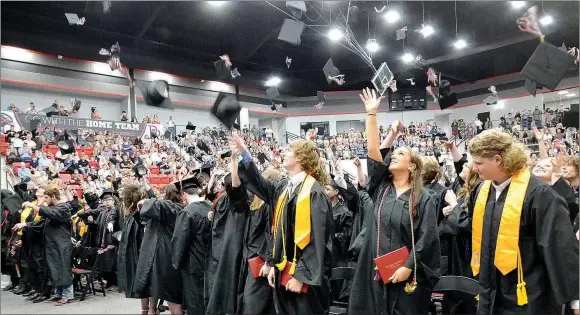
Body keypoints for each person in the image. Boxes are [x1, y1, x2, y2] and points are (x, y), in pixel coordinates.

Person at [348, 89, 441, 315]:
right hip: (375, 273)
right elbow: (373, 153)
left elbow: (426, 238)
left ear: (412, 167)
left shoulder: (423, 198)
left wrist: (408, 267)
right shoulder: (381, 188)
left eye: (400, 154)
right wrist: (371, 114)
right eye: (394, 154)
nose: (394, 156)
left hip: (407, 276)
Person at [467, 129, 579, 314]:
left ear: (497, 159)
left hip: (528, 295)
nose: (474, 168)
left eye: (479, 163)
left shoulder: (539, 194)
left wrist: (575, 300)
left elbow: (560, 247)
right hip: (490, 294)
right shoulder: (481, 191)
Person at [230, 130, 334, 315]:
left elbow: (317, 240)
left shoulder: (313, 193)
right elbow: (260, 184)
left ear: (300, 158)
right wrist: (245, 153)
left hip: (304, 280)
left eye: (289, 150)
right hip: (284, 274)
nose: (283, 153)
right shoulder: (285, 189)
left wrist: (301, 276)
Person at [204, 155, 250, 315]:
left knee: (228, 291)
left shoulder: (237, 201)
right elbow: (210, 194)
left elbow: (236, 188)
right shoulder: (223, 199)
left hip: (231, 249)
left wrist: (234, 164)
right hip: (223, 246)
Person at [14, 187, 74, 305]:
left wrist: (33, 206)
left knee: (63, 269)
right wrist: (25, 224)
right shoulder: (53, 209)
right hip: (52, 244)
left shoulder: (64, 208)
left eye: (46, 197)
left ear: (53, 197)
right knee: (54, 269)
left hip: (61, 244)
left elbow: (52, 213)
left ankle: (68, 295)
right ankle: (58, 293)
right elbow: (41, 223)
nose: (44, 200)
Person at [134, 184, 184, 315]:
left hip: (165, 255)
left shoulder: (173, 207)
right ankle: (150, 311)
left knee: (171, 296)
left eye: (163, 193)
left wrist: (145, 201)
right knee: (154, 288)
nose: (160, 196)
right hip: (157, 254)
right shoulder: (166, 208)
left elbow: (156, 205)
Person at [238, 168, 281, 315]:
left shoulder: (269, 206)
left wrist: (268, 261)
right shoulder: (257, 205)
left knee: (253, 304)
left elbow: (271, 234)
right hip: (251, 258)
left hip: (260, 261)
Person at [170, 177, 212, 315]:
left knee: (195, 301)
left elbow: (179, 242)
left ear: (184, 194)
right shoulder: (211, 206)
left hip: (193, 265)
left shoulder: (187, 213)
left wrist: (175, 264)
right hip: (212, 262)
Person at [116, 184, 151, 315]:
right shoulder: (131, 215)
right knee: (143, 284)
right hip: (137, 253)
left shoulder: (141, 214)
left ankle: (151, 310)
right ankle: (145, 310)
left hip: (142, 253)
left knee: (147, 283)